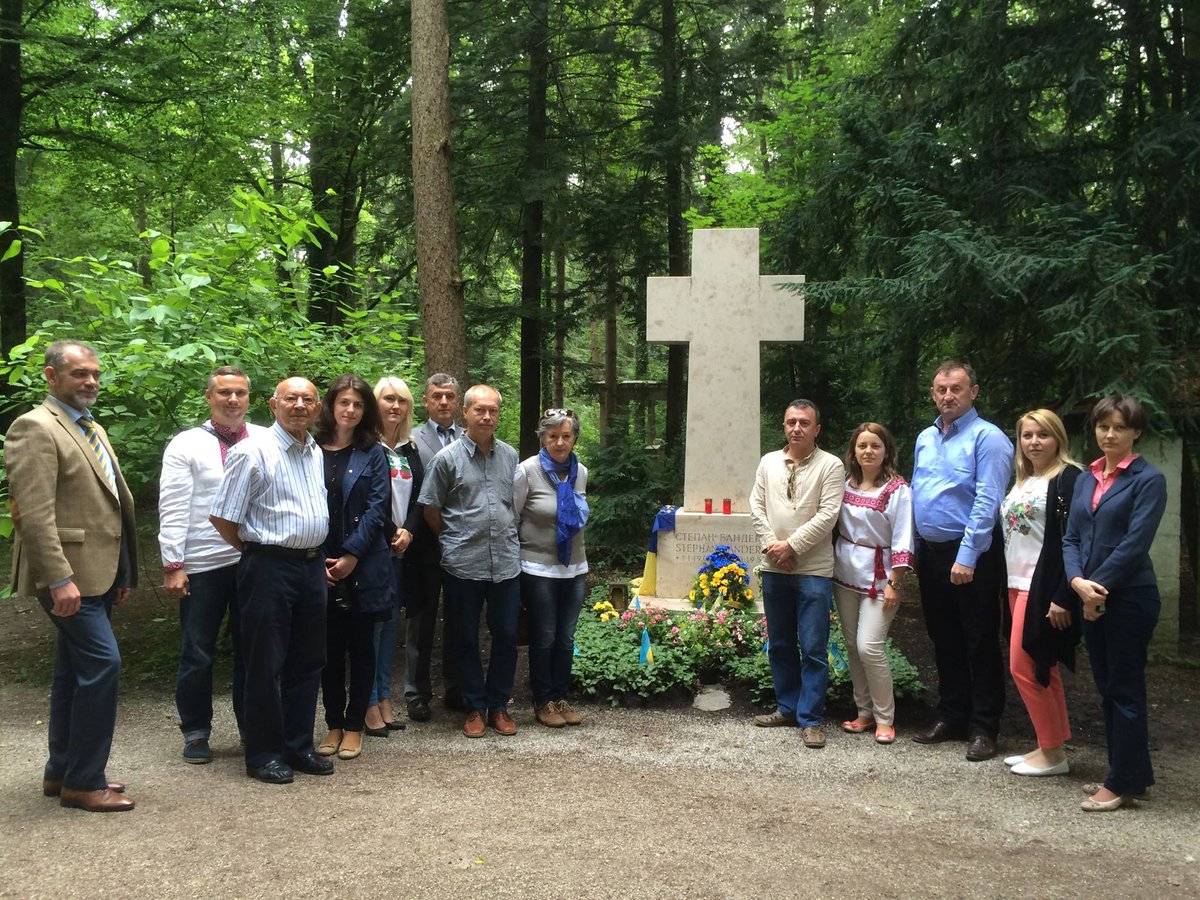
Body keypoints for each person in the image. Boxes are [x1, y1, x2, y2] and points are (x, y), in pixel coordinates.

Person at [6, 340, 138, 812]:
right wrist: (58, 578)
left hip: (97, 574)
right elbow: (34, 516)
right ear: (51, 376)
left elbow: (111, 506)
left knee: (74, 670)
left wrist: (123, 572)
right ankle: (84, 781)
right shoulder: (35, 427)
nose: (90, 381)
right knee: (103, 664)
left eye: (94, 373)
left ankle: (61, 771)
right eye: (79, 373)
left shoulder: (90, 427)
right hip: (66, 577)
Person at [210, 377, 333, 784]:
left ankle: (299, 746)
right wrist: (257, 553)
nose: (299, 405)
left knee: (308, 660)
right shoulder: (252, 451)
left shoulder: (313, 451)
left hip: (312, 567)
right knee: (265, 662)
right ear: (273, 404)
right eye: (291, 398)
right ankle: (263, 753)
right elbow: (223, 517)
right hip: (268, 567)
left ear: (317, 408)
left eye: (307, 399)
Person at [1063, 394, 1167, 812]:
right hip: (1090, 594)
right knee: (1107, 687)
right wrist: (1075, 582)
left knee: (1124, 688)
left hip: (1129, 598)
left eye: (1119, 427)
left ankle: (1121, 781)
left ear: (1135, 432)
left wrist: (1094, 589)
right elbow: (1071, 537)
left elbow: (1134, 544)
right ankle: (1126, 774)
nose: (1110, 434)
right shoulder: (1086, 478)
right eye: (1103, 426)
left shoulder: (1148, 479)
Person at [159, 365, 266, 764]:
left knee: (251, 651)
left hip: (253, 560)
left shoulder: (265, 438)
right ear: (209, 397)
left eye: (240, 392)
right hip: (202, 564)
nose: (232, 399)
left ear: (249, 397)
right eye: (224, 392)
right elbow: (172, 506)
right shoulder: (186, 444)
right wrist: (174, 563)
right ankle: (196, 731)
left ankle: (250, 727)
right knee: (197, 650)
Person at [911, 361, 1013, 762]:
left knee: (979, 641)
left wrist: (967, 556)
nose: (947, 396)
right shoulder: (925, 438)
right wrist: (916, 550)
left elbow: (988, 500)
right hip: (932, 555)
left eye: (956, 388)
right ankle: (952, 714)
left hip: (973, 555)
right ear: (933, 393)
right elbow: (919, 492)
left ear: (974, 391)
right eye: (940, 389)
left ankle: (985, 726)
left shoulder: (988, 438)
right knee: (944, 638)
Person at [417, 384, 521, 738]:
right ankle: (475, 706)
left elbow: (514, 504)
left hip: (506, 561)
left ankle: (499, 706)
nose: (487, 416)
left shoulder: (510, 455)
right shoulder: (446, 459)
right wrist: (452, 538)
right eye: (480, 410)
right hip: (463, 563)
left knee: (506, 634)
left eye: (493, 410)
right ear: (466, 412)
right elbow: (430, 508)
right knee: (463, 636)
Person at [749, 399, 844, 749]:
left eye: (804, 422)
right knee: (782, 644)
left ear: (816, 428)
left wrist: (793, 547)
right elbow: (756, 506)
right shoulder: (768, 462)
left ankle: (811, 718)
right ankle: (787, 707)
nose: (797, 428)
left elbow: (829, 514)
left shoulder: (831, 466)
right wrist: (774, 546)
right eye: (791, 422)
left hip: (813, 571)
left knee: (814, 646)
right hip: (775, 568)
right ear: (784, 426)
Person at [311, 375, 395, 761]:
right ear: (331, 405)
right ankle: (331, 723)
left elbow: (379, 508)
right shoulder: (310, 447)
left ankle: (355, 725)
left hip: (362, 564)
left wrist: (350, 556)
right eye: (344, 402)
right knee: (327, 649)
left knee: (362, 649)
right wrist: (323, 559)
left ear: (366, 411)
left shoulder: (373, 452)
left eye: (358, 405)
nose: (350, 410)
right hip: (317, 562)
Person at [999, 409, 1082, 777]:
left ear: (1058, 438)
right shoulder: (1024, 479)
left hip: (1042, 585)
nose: (1034, 442)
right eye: (1027, 435)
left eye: (1042, 435)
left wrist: (1062, 594)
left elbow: (1075, 540)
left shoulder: (1069, 478)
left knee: (1024, 666)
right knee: (1044, 667)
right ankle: (1052, 745)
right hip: (1015, 582)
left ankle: (1051, 754)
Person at [832, 423, 914, 746]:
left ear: (886, 451)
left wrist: (896, 581)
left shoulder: (897, 490)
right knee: (853, 646)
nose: (868, 451)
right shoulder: (844, 484)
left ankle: (885, 718)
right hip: (845, 575)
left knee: (870, 646)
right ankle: (864, 711)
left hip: (881, 578)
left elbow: (903, 537)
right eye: (862, 445)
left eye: (875, 446)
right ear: (853, 451)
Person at [514, 408, 590, 728]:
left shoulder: (580, 471)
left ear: (574, 438)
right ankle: (543, 699)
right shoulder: (527, 471)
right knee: (544, 636)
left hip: (574, 566)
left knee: (566, 637)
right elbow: (513, 518)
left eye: (566, 436)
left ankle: (561, 696)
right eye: (553, 436)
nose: (560, 442)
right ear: (542, 437)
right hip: (538, 566)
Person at [364, 376, 424, 735]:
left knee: (390, 625)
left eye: (401, 401)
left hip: (403, 548)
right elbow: (369, 499)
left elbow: (420, 495)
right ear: (376, 403)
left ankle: (385, 697)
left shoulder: (410, 447)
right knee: (372, 626)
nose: (395, 406)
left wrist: (409, 531)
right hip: (374, 548)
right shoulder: (366, 445)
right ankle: (368, 700)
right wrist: (390, 532)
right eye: (388, 399)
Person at [407, 373, 463, 718]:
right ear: (426, 401)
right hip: (424, 544)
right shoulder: (412, 440)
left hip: (462, 545)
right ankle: (416, 691)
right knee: (421, 618)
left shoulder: (473, 436)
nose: (443, 402)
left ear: (458, 403)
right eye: (437, 396)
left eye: (450, 397)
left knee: (459, 618)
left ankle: (456, 687)